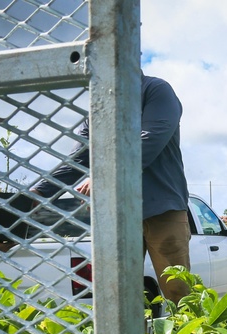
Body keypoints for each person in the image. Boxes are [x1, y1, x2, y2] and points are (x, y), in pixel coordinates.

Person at [30, 74, 192, 304]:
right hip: (119, 215)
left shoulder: (155, 90)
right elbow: (79, 157)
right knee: (120, 298)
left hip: (162, 209)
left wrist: (104, 175)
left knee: (179, 291)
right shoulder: (98, 107)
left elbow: (151, 138)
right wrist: (40, 191)